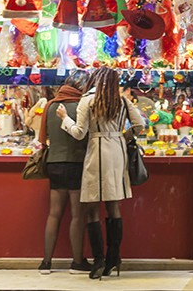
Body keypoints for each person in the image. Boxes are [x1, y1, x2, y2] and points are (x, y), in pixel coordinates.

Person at [57, 68, 146, 279]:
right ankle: (114, 257)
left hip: (96, 152)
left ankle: (98, 260)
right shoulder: (122, 101)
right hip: (117, 153)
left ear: (95, 80)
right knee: (114, 206)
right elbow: (140, 125)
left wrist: (64, 118)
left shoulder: (87, 101)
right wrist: (121, 137)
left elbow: (79, 133)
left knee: (92, 207)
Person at [39, 71, 93, 275]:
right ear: (82, 86)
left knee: (54, 214)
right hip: (77, 164)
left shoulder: (51, 105)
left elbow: (43, 137)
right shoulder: (82, 105)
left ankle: (46, 262)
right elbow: (85, 136)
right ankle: (77, 262)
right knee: (78, 215)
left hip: (54, 163)